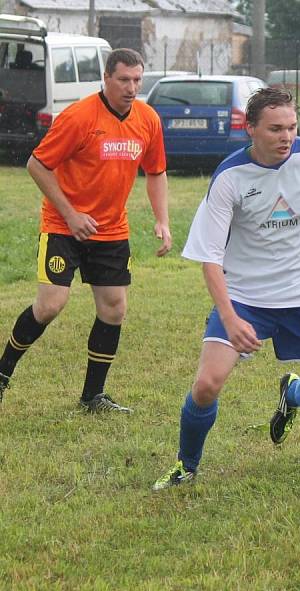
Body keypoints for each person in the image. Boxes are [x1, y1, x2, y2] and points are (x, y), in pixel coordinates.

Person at [152, 87, 300, 491]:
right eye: (275, 129)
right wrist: (230, 317)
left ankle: (293, 393)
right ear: (249, 128)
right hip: (246, 299)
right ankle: (186, 465)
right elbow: (209, 256)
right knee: (207, 384)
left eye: (291, 127)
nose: (286, 137)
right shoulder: (229, 178)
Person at [0, 48, 171, 412]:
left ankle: (92, 397)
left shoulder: (147, 119)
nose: (131, 87)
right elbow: (37, 165)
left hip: (110, 231)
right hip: (63, 226)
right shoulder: (79, 116)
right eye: (124, 80)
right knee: (50, 306)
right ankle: (3, 373)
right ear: (106, 78)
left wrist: (162, 220)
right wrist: (71, 214)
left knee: (114, 309)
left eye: (137, 80)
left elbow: (155, 171)